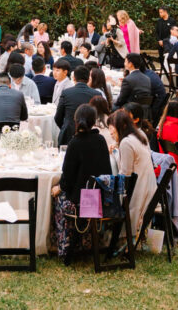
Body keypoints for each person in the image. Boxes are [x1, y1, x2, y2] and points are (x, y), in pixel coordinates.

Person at [51, 103, 113, 259]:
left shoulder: (75, 143)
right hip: (101, 199)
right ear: (93, 121)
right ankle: (86, 241)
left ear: (75, 120)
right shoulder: (100, 140)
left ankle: (65, 245)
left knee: (57, 199)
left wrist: (58, 188)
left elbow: (67, 179)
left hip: (82, 203)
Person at [107, 108, 157, 237]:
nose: (110, 132)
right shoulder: (139, 135)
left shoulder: (126, 142)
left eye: (112, 127)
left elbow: (125, 175)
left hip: (137, 192)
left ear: (121, 126)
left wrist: (116, 153)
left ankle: (110, 236)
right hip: (149, 188)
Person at [55, 64, 101, 145]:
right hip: (90, 134)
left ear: (74, 78)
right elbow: (99, 117)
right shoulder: (96, 94)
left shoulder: (66, 93)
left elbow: (58, 117)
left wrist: (66, 126)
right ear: (88, 79)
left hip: (68, 134)